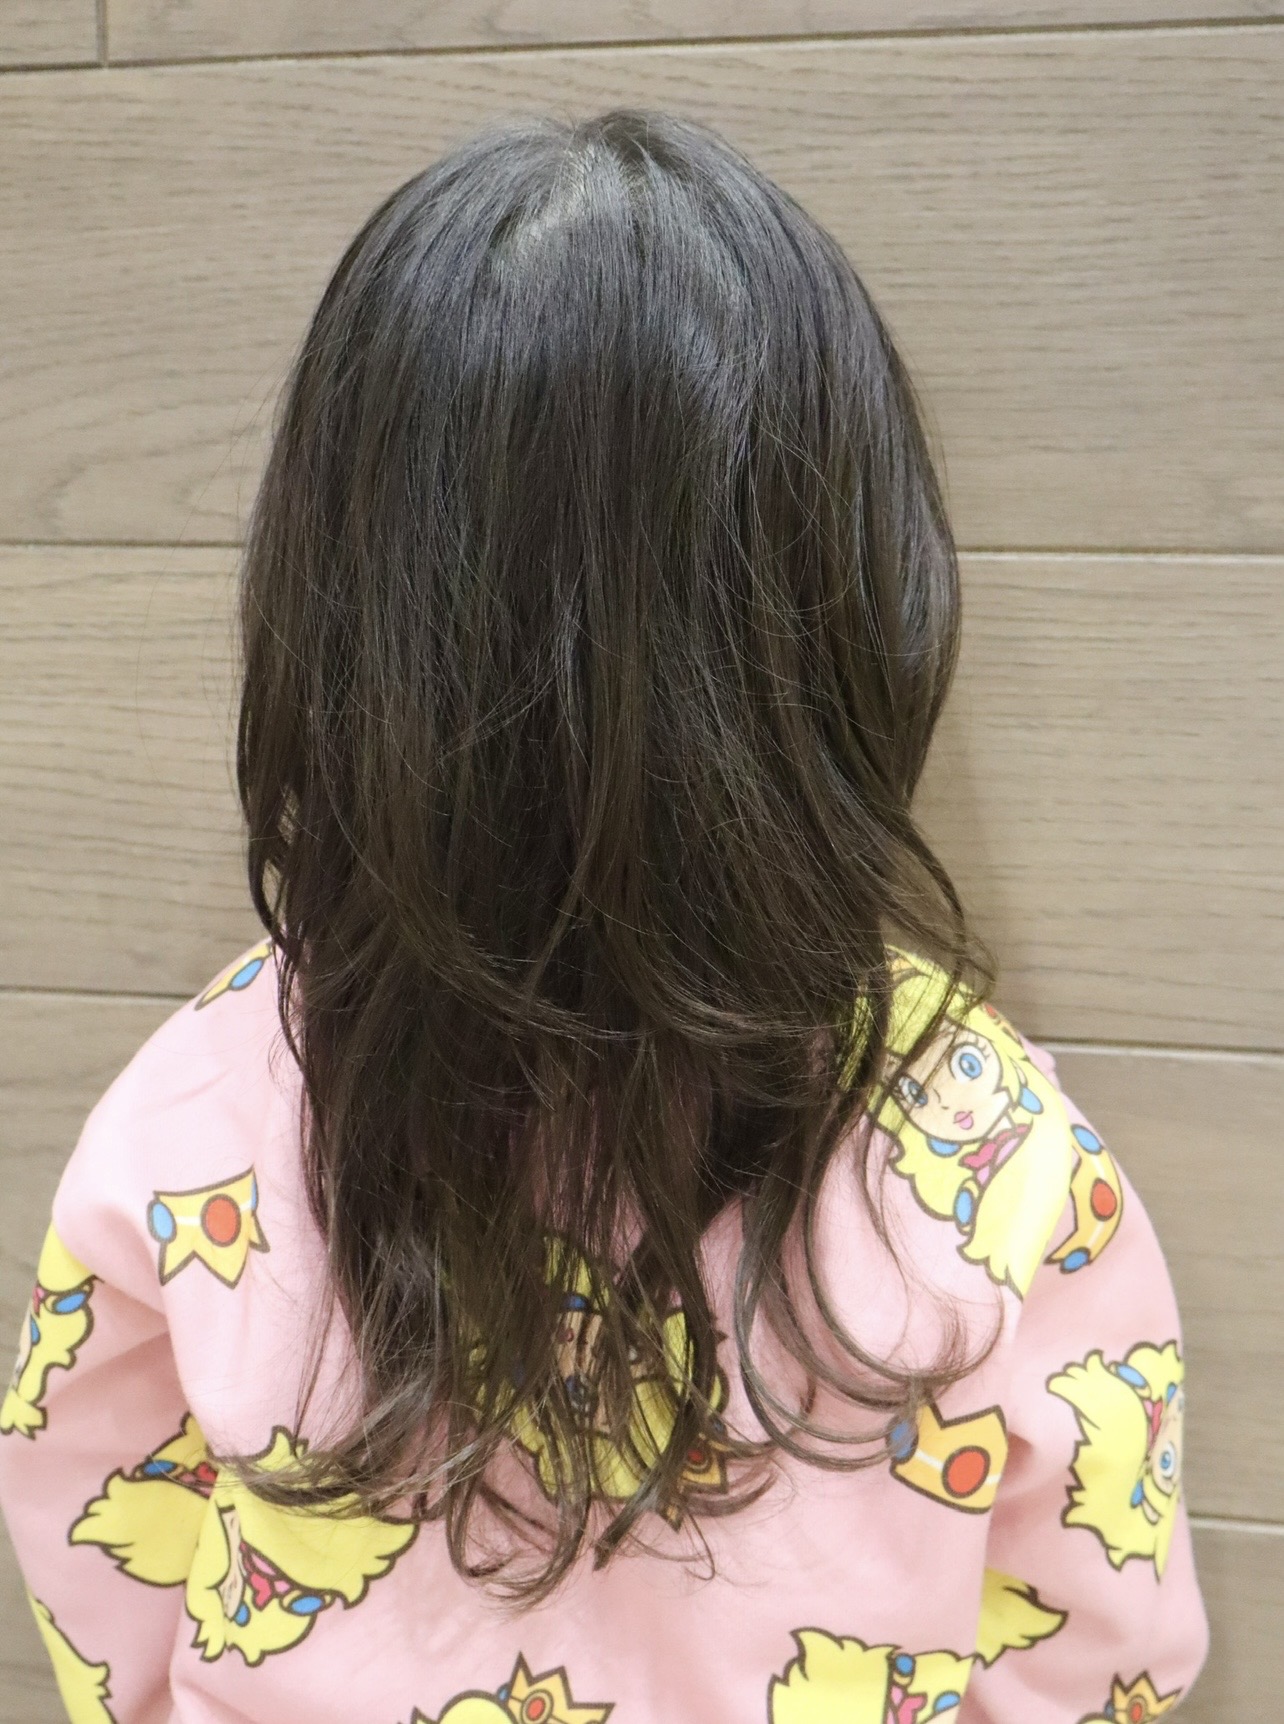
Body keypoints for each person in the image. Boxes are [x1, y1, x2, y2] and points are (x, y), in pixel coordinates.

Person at [0, 110, 1207, 1724]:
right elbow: (1098, 1643)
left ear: (328, 610)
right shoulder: (988, 1144)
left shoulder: (199, 1108)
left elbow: (100, 1548)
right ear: (856, 607)